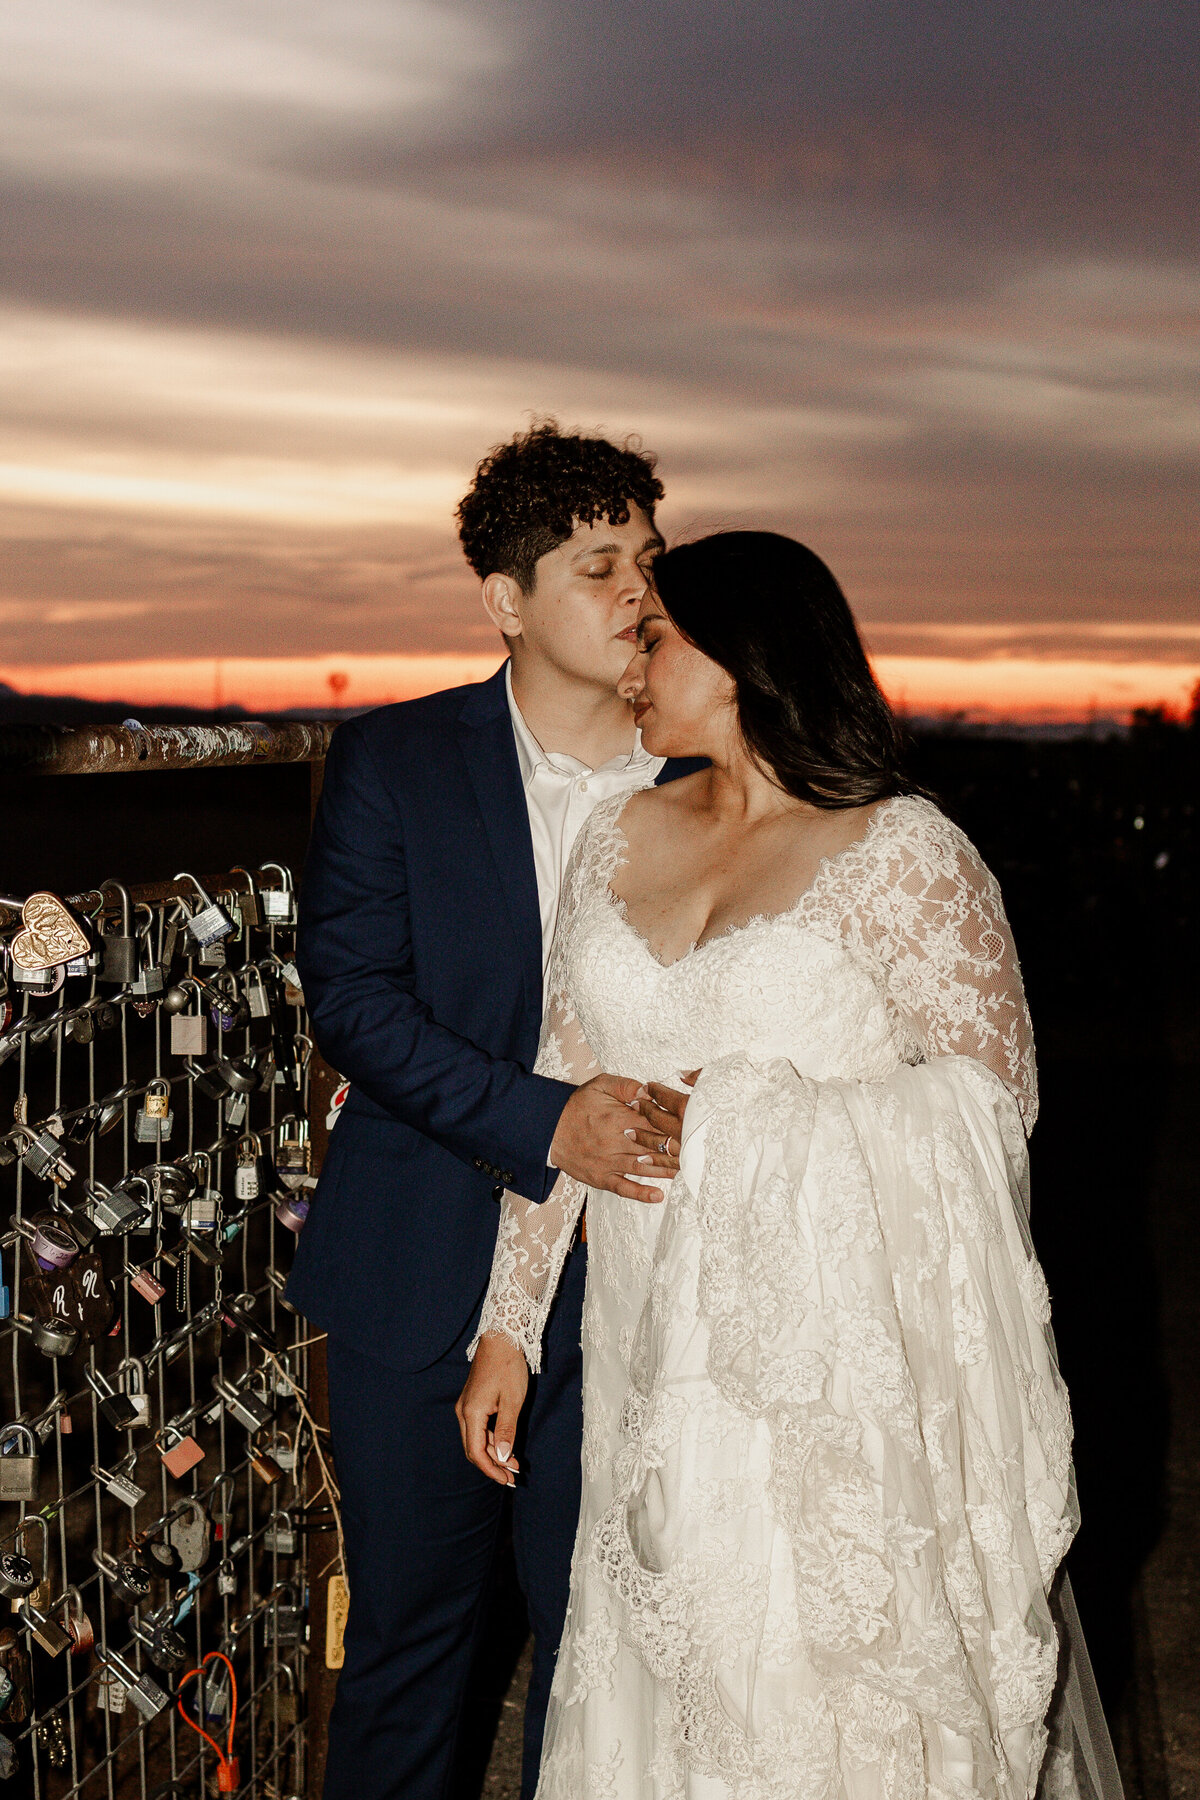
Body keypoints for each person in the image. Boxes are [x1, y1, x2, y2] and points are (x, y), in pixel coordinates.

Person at [459, 532, 1122, 1800]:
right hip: (648, 1340)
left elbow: (996, 1106)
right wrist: (511, 1330)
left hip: (828, 1370)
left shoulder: (903, 854)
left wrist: (754, 1120)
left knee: (805, 1673)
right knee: (668, 1645)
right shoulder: (613, 838)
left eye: (656, 638)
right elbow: (570, 1093)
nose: (631, 666)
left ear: (750, 658)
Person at [288, 422, 701, 1799]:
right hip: (421, 1265)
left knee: (613, 1656)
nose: (639, 591)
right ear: (507, 602)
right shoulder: (395, 762)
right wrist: (545, 1118)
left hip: (651, 1272)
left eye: (647, 558)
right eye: (599, 565)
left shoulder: (707, 781)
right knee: (415, 1650)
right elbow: (355, 1001)